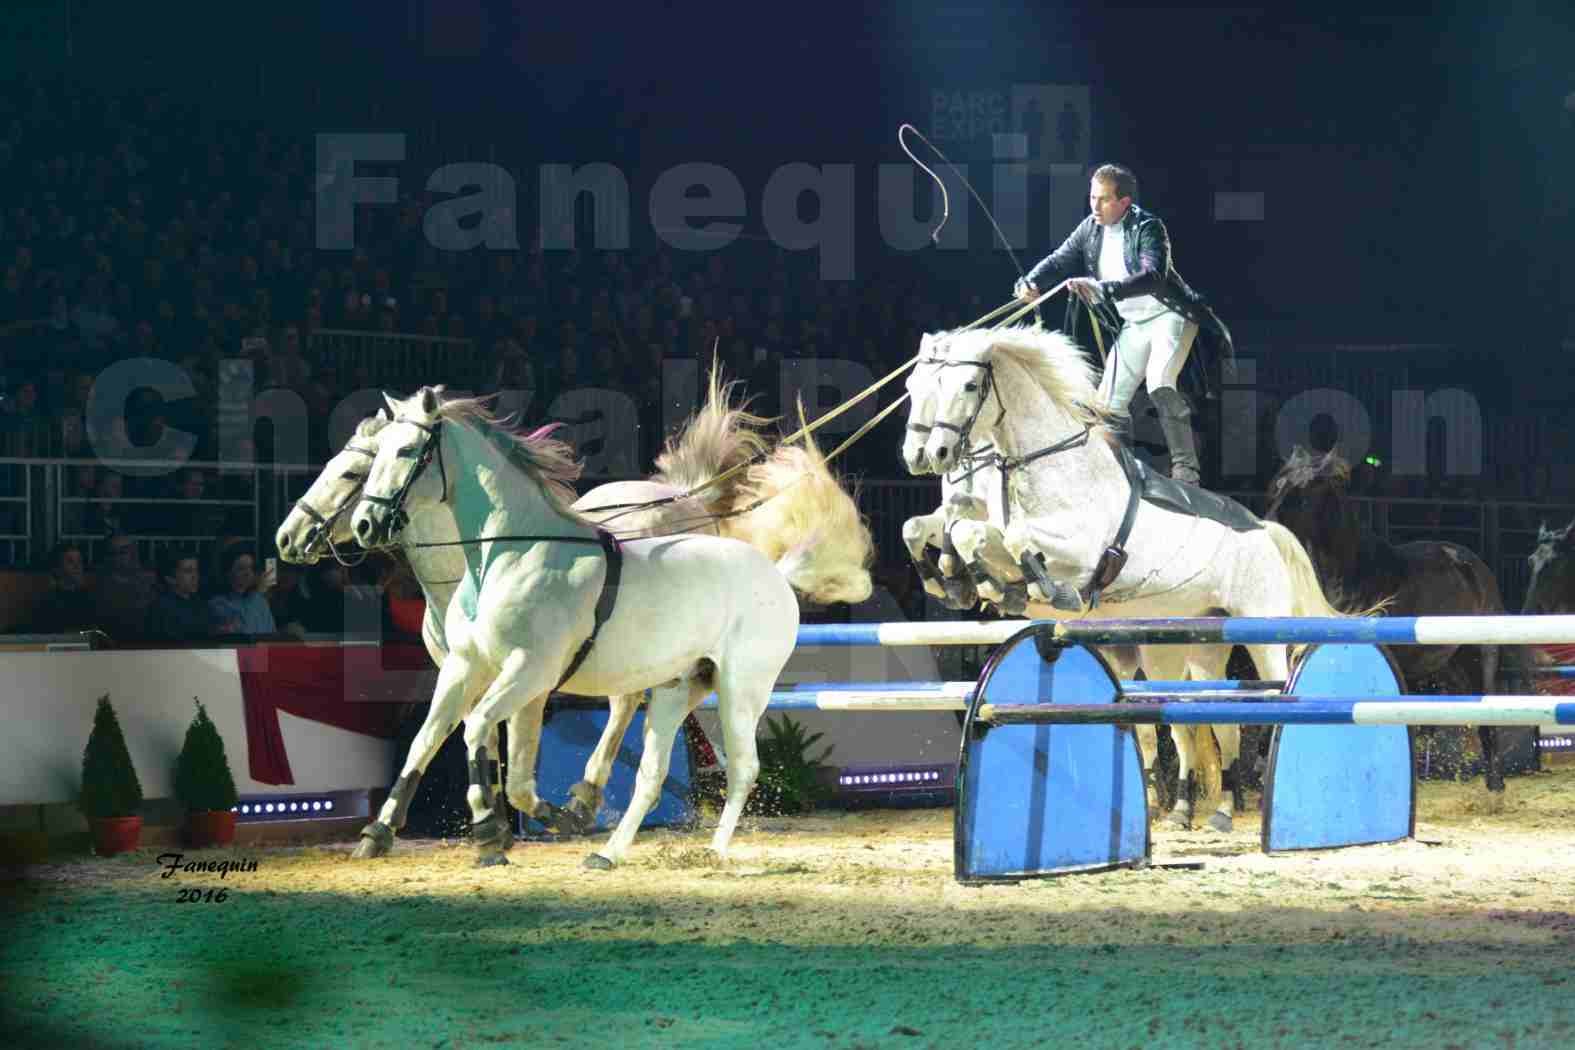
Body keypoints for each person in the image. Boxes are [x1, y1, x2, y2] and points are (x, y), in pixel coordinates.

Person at [1014, 163, 1233, 485]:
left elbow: (1154, 276)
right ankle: (1116, 469)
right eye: (1092, 198)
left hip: (1169, 316)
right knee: (1108, 402)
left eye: (1103, 200)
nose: (1095, 207)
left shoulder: (1148, 227)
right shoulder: (1090, 229)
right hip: (1136, 324)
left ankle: (1187, 469)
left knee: (1160, 380)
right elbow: (1060, 259)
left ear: (1124, 202)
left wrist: (1105, 289)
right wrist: (1030, 281)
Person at [145, 549, 216, 642]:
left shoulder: (202, 604)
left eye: (196, 570)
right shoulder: (160, 609)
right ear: (170, 579)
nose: (195, 576)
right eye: (188, 571)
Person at [208, 545, 278, 637]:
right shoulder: (218, 604)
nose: (248, 573)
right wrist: (258, 593)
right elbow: (245, 632)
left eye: (251, 568)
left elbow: (272, 634)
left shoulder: (261, 601)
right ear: (228, 573)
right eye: (241, 568)